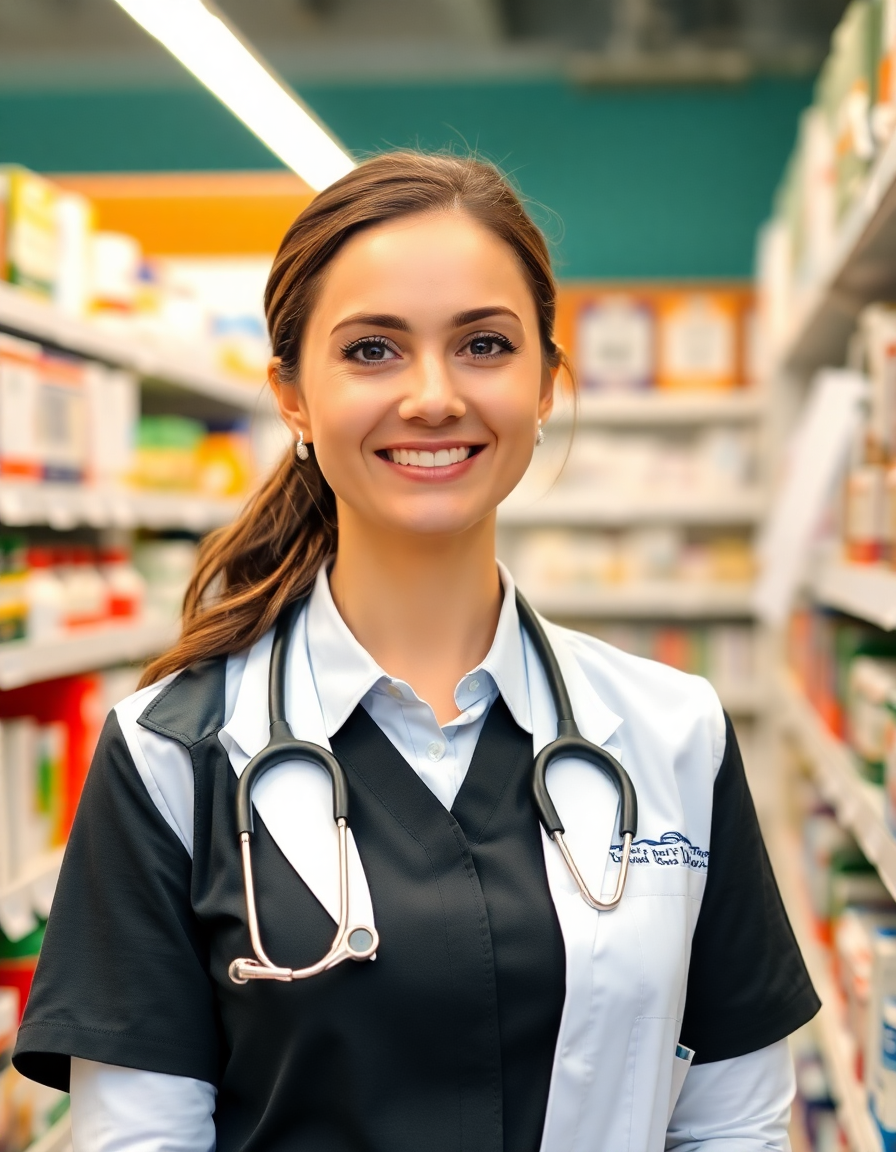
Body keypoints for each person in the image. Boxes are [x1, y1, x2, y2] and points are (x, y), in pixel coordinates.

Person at [13, 151, 818, 1151]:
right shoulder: (169, 756)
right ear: (292, 397)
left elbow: (733, 1125)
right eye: (371, 352)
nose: (433, 395)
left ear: (545, 386)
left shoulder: (671, 734)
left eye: (483, 344)